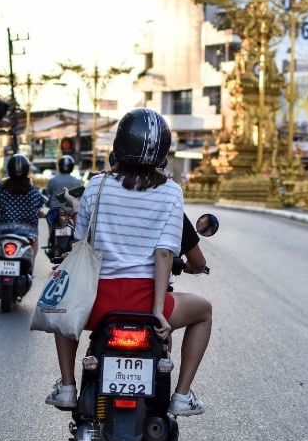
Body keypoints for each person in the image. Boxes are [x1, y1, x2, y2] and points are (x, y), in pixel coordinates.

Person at [46, 108, 213, 417]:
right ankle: (181, 396)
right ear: (163, 151)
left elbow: (81, 241)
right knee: (204, 311)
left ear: (119, 146)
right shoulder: (172, 193)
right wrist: (156, 311)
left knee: (64, 308)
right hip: (149, 303)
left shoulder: (97, 185)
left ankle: (68, 386)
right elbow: (164, 253)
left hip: (98, 305)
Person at [0, 154, 46, 244]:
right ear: (27, 170)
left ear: (9, 169)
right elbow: (40, 209)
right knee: (34, 243)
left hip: (4, 231)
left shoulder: (1, 190)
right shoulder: (34, 192)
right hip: (28, 232)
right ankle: (31, 258)